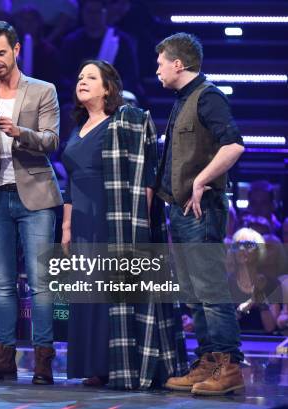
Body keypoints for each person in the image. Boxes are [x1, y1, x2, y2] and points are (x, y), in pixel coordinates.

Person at [62, 59, 187, 389]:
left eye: (91, 77)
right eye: (79, 76)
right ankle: (93, 365)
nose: (82, 81)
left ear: (108, 88)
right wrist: (66, 227)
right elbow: (70, 183)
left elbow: (145, 171)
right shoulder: (76, 129)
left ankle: (114, 364)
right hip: (82, 221)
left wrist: (140, 218)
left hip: (112, 218)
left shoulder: (124, 122)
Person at [0, 21, 62, 385]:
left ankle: (43, 359)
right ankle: (2, 356)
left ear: (16, 50)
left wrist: (20, 133)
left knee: (39, 283)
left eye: (1, 53)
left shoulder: (42, 90)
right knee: (2, 284)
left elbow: (52, 141)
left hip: (34, 195)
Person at [156, 33, 246, 396]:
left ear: (178, 64)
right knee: (194, 292)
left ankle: (229, 365)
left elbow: (234, 144)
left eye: (161, 62)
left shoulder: (207, 96)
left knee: (210, 289)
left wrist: (202, 181)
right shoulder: (184, 99)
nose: (157, 69)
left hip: (201, 209)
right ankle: (208, 361)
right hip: (180, 210)